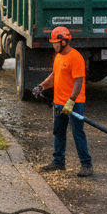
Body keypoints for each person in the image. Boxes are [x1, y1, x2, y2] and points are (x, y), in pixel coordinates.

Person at [33, 26, 93, 177]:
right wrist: (41, 86)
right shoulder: (58, 56)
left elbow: (79, 82)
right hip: (59, 102)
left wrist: (71, 102)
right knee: (58, 131)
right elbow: (55, 75)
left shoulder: (76, 57)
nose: (53, 45)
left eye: (56, 43)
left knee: (77, 132)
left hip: (74, 103)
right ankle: (58, 162)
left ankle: (86, 164)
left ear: (64, 42)